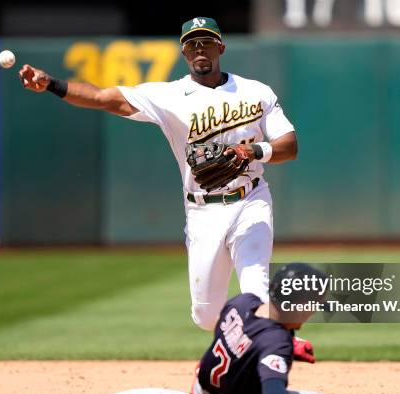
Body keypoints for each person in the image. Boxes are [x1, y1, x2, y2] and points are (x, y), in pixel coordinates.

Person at [18, 17, 313, 360]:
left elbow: (289, 146)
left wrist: (253, 150)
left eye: (205, 42)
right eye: (191, 44)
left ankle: (268, 360)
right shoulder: (169, 95)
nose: (199, 49)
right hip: (203, 210)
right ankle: (250, 335)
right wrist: (51, 83)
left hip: (252, 201)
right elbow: (102, 97)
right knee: (205, 317)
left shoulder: (256, 92)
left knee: (256, 290)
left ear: (221, 47)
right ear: (184, 52)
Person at [168, 263, 349, 394]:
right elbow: (272, 392)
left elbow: (227, 335)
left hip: (202, 388)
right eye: (313, 305)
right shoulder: (278, 341)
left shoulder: (242, 302)